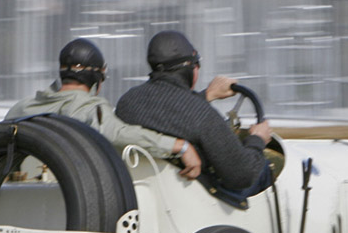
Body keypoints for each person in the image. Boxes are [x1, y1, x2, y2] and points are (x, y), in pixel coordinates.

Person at [6, 38, 201, 179]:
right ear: (97, 79)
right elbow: (120, 135)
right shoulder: (92, 109)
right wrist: (179, 146)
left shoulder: (21, 108)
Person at [116, 31, 274, 201]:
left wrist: (206, 95)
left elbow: (169, 113)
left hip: (149, 195)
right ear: (190, 67)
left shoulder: (128, 102)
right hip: (197, 199)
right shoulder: (202, 115)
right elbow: (242, 175)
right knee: (264, 167)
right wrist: (257, 139)